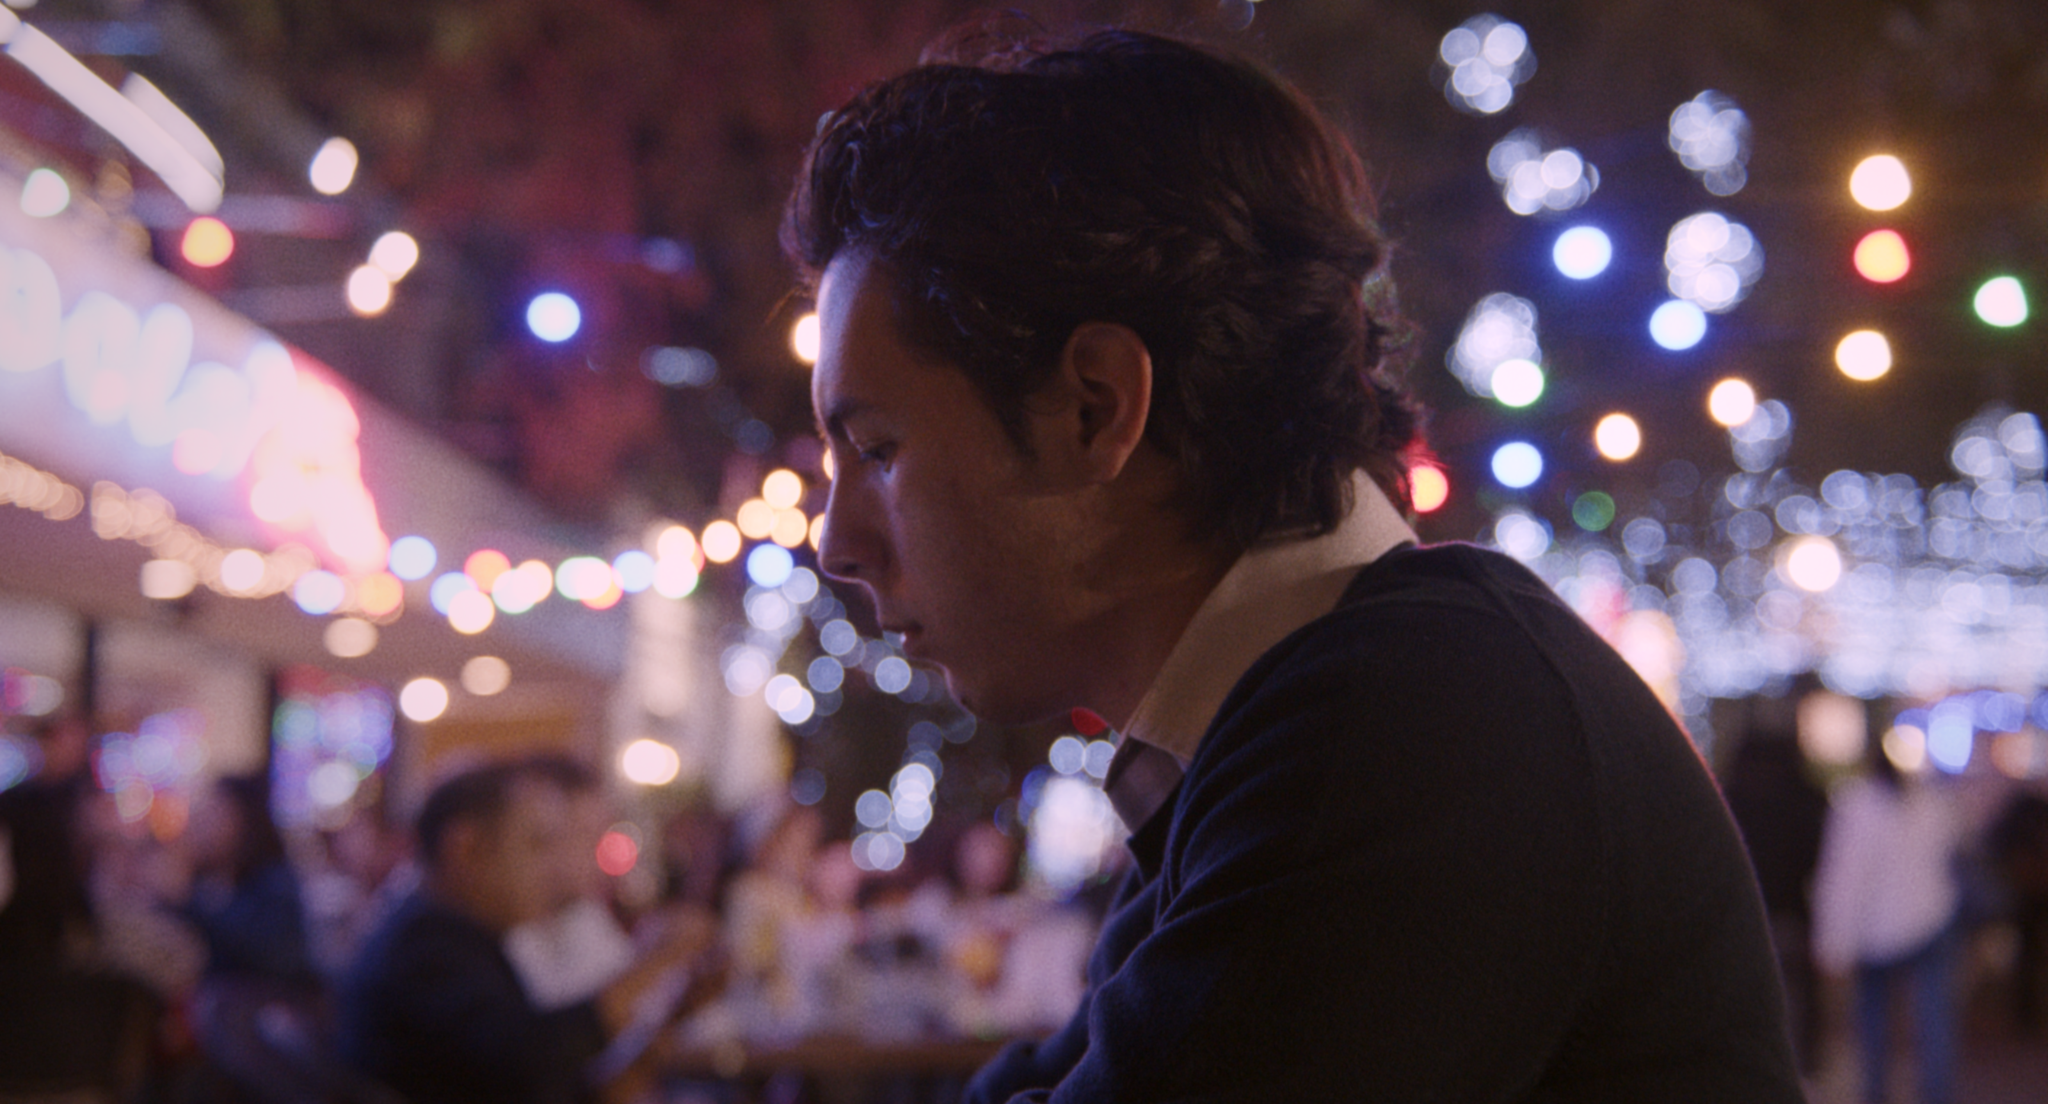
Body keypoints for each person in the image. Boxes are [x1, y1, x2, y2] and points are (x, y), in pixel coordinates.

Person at [784, 26, 1802, 1102]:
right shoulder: (1306, 719)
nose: (835, 543)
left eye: (879, 450)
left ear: (1095, 406)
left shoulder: (1409, 726)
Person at [337, 759, 713, 1104]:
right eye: (536, 845)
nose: (552, 869)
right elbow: (531, 1062)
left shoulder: (447, 933)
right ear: (466, 849)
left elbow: (551, 1083)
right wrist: (657, 960)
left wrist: (674, 1013)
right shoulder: (425, 945)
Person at [1813, 742, 1965, 1104]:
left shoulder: (1857, 807)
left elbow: (1844, 879)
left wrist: (1832, 944)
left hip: (1878, 933)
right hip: (1931, 919)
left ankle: (1877, 1093)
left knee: (1874, 1023)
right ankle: (1935, 1095)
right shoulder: (1933, 803)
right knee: (1933, 1023)